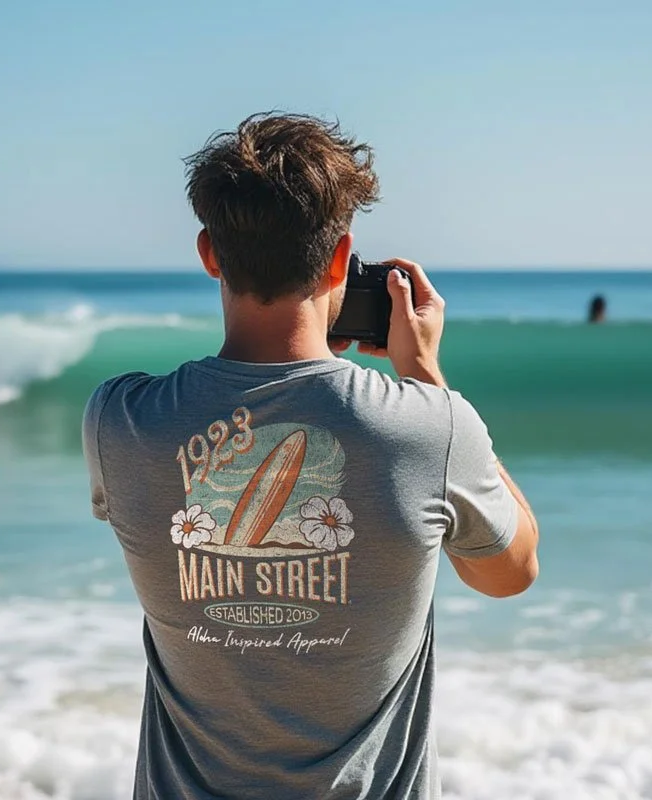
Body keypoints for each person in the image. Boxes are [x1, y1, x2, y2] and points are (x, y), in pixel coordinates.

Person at [82, 112, 539, 799]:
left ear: (209, 252)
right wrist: (429, 381)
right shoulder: (428, 429)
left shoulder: (119, 423)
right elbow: (510, 572)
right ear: (337, 258)